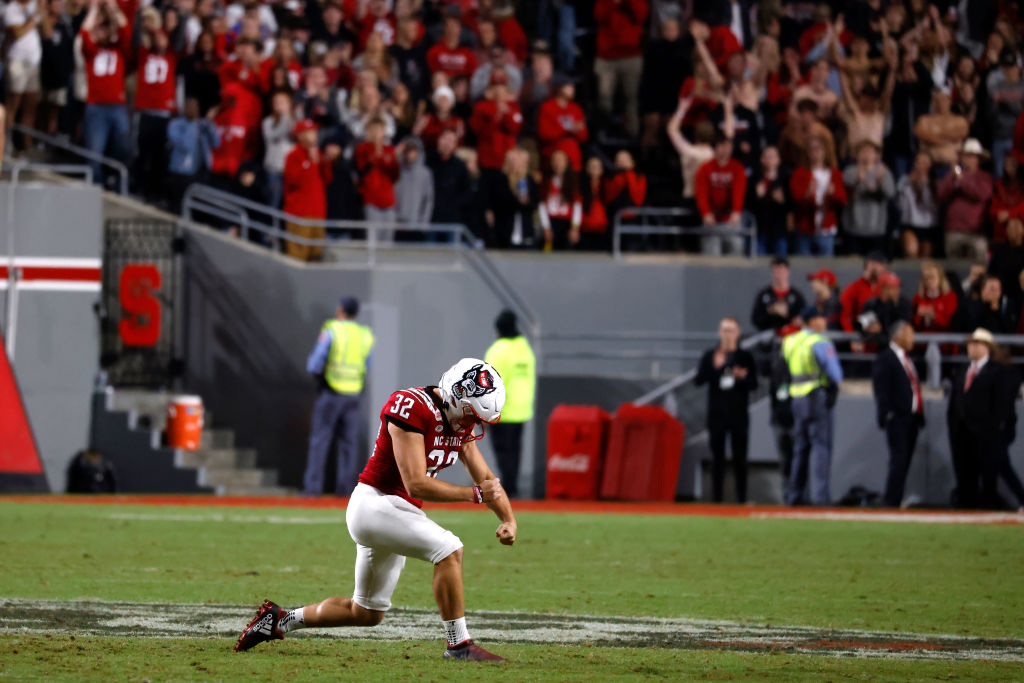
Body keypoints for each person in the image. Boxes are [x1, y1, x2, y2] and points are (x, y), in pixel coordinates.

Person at [235, 358, 515, 663]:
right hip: (374, 504)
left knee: (366, 612)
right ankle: (459, 644)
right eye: (471, 415)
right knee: (449, 549)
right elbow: (416, 484)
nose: (472, 425)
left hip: (396, 514)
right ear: (455, 396)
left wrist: (508, 518)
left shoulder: (458, 425)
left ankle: (279, 620)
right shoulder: (411, 405)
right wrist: (474, 495)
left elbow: (487, 480)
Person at [301, 296, 375, 497]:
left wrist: (319, 375)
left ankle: (313, 489)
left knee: (320, 441)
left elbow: (315, 363)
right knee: (348, 445)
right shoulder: (365, 334)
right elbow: (367, 366)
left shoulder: (333, 330)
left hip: (332, 392)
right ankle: (345, 491)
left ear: (340, 309)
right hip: (353, 394)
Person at [783, 307, 843, 506]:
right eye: (821, 318)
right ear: (813, 321)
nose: (824, 322)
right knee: (821, 447)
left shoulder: (790, 341)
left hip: (797, 397)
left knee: (800, 448)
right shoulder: (819, 342)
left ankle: (795, 495)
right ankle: (820, 498)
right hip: (816, 395)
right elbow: (836, 374)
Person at [695, 317, 758, 503]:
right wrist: (716, 366)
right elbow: (699, 380)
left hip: (739, 415)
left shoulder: (745, 357)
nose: (727, 334)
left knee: (740, 458)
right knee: (717, 458)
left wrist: (740, 377)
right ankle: (717, 500)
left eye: (731, 330)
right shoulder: (711, 354)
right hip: (717, 414)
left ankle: (741, 499)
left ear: (738, 333)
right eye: (724, 330)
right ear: (719, 332)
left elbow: (754, 384)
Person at [872, 320, 925, 508]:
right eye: (910, 333)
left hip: (911, 418)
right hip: (898, 418)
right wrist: (887, 415)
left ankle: (896, 498)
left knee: (904, 460)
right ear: (899, 335)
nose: (913, 338)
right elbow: (881, 389)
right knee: (899, 459)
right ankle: (891, 501)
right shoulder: (886, 358)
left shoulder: (907, 358)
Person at [483, 310, 536, 498]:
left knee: (502, 452)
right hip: (521, 409)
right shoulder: (525, 348)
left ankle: (508, 489)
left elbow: (489, 382)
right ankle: (512, 487)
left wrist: (484, 410)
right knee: (514, 451)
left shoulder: (499, 350)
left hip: (502, 409)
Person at [947, 328, 1002, 509]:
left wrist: (993, 430)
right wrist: (953, 426)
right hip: (961, 434)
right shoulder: (963, 370)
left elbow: (1000, 405)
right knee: (964, 477)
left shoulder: (996, 371)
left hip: (984, 435)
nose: (972, 347)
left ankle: (987, 513)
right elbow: (955, 401)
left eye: (977, 343)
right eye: (971, 344)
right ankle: (966, 511)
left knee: (987, 478)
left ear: (987, 347)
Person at [284, 120, 339, 261]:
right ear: (301, 135)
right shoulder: (293, 156)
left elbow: (328, 179)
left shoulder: (319, 155)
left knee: (316, 254)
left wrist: (324, 162)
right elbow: (293, 181)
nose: (314, 135)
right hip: (299, 214)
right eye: (310, 132)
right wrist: (308, 163)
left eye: (315, 131)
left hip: (318, 213)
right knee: (297, 255)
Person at [937, 138, 994, 260]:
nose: (968, 159)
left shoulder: (984, 177)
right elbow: (940, 194)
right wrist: (955, 179)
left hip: (976, 233)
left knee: (979, 269)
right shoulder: (951, 176)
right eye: (966, 156)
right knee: (954, 270)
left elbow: (982, 194)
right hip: (954, 231)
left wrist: (961, 180)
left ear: (978, 159)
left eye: (971, 156)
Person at [694, 128, 748, 256]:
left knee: (736, 248)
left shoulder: (737, 168)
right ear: (715, 148)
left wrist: (736, 211)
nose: (726, 149)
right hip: (711, 219)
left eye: (729, 146)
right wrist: (706, 213)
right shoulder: (705, 169)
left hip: (730, 219)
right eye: (722, 145)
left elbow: (738, 191)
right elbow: (701, 193)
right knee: (712, 252)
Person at [842, 141, 896, 257]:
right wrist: (860, 177)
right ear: (856, 155)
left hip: (876, 229)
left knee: (875, 265)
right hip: (854, 228)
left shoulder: (884, 172)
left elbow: (890, 193)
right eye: (863, 151)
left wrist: (880, 181)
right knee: (853, 265)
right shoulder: (850, 171)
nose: (866, 154)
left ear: (877, 155)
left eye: (870, 151)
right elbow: (847, 185)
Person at [896, 152, 939, 259]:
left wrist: (924, 187)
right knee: (911, 252)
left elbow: (933, 207)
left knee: (925, 258)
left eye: (924, 162)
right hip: (910, 224)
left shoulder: (935, 184)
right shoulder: (904, 181)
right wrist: (910, 183)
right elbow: (898, 203)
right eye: (918, 162)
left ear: (930, 165)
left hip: (929, 226)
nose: (920, 165)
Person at [751, 256, 806, 333]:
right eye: (776, 269)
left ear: (787, 271)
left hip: (791, 336)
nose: (779, 273)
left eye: (781, 269)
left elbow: (804, 320)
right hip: (769, 337)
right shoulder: (764, 295)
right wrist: (771, 310)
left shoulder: (796, 296)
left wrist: (787, 313)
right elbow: (755, 320)